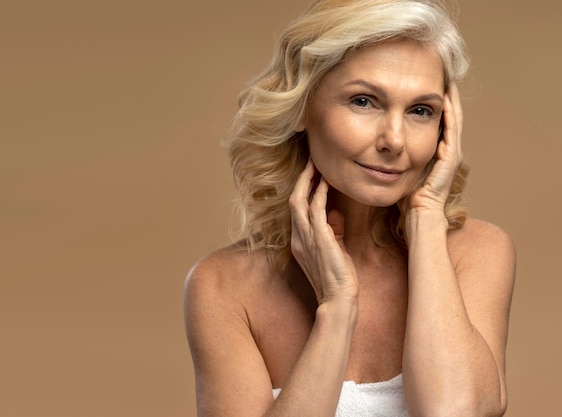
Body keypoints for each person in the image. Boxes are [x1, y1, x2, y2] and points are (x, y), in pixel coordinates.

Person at [184, 0, 516, 416]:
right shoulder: (223, 286)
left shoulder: (477, 252)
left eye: (420, 110)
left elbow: (454, 411)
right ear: (303, 107)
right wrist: (337, 311)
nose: (394, 140)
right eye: (364, 101)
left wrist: (427, 214)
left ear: (446, 127)